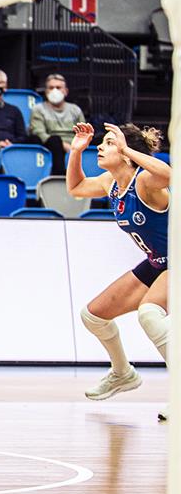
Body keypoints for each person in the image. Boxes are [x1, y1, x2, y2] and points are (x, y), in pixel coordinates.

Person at [66, 121, 169, 420]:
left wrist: (126, 148)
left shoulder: (144, 181)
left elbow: (168, 175)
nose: (100, 146)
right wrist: (76, 152)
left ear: (125, 152)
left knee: (149, 314)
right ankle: (123, 373)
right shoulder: (109, 182)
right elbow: (75, 189)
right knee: (93, 315)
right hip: (158, 261)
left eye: (109, 143)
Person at [30, 73, 85, 175]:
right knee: (55, 140)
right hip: (52, 145)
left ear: (66, 91)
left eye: (58, 88)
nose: (55, 91)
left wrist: (75, 146)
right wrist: (63, 145)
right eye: (51, 88)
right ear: (46, 92)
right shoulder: (38, 109)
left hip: (73, 145)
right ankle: (60, 175)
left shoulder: (75, 109)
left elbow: (83, 132)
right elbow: (39, 132)